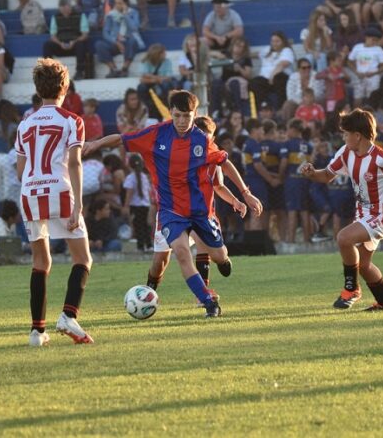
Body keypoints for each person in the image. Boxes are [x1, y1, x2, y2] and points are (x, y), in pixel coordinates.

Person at [85, 91, 254, 318]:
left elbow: (225, 163)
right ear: (170, 113)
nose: (182, 121)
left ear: (195, 114)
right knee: (182, 253)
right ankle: (207, 302)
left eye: (187, 116)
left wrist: (245, 194)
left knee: (218, 255)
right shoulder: (156, 134)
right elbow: (121, 138)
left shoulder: (202, 140)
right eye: (177, 116)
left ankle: (223, 259)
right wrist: (94, 144)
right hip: (171, 211)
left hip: (201, 212)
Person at [300, 108, 383, 310]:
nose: (343, 137)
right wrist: (312, 172)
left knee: (343, 238)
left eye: (345, 133)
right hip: (364, 214)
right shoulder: (346, 153)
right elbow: (325, 176)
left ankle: (352, 290)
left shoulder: (380, 158)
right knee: (363, 265)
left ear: (357, 136)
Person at [16, 58, 94, 347]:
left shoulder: (25, 124)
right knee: (82, 258)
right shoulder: (72, 121)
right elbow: (74, 163)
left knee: (41, 261)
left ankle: (37, 333)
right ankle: (68, 316)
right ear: (65, 87)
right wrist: (78, 205)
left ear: (38, 89)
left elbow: (20, 170)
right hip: (59, 191)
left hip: (30, 193)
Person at [279, 118, 312, 243]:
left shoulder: (287, 145)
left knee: (292, 211)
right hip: (304, 181)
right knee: (305, 211)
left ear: (293, 130)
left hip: (292, 181)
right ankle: (307, 240)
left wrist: (281, 177)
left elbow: (284, 163)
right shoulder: (308, 145)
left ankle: (291, 241)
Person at [42, 0, 89, 81]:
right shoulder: (55, 17)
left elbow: (85, 34)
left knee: (81, 45)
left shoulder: (80, 16)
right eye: (62, 9)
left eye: (66, 8)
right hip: (60, 44)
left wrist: (74, 42)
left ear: (70, 7)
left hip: (75, 44)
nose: (64, 11)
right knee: (47, 45)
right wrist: (60, 43)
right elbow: (53, 35)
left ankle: (79, 72)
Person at [96, 0, 142, 78]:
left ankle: (124, 69)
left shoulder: (133, 13)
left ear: (126, 3)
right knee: (99, 44)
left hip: (128, 41)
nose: (117, 5)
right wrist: (116, 42)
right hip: (115, 43)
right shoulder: (111, 15)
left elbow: (134, 28)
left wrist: (125, 15)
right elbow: (106, 33)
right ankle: (113, 69)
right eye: (116, 3)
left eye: (120, 3)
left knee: (132, 41)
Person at [123, 154, 152, 252]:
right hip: (146, 205)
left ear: (129, 165)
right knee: (145, 225)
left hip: (136, 206)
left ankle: (140, 247)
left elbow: (129, 193)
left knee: (138, 226)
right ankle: (149, 245)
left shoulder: (130, 177)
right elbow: (148, 191)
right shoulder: (144, 177)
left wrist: (126, 206)